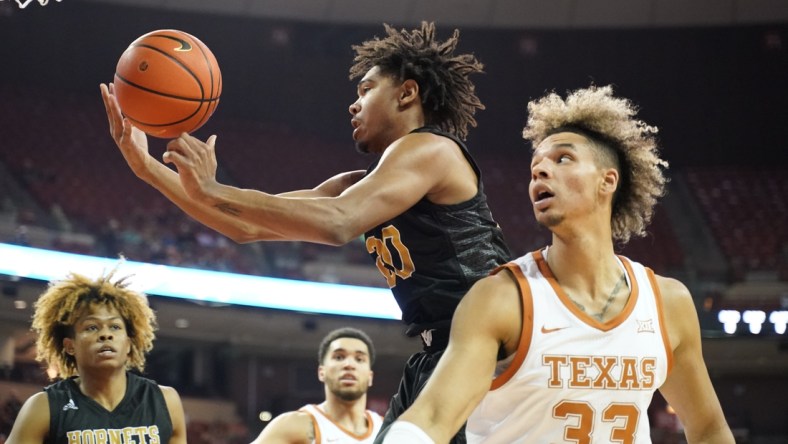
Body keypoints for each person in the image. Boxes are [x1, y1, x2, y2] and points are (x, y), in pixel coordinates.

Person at [101, 21, 511, 443]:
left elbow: (338, 223)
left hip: (488, 350)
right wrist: (146, 168)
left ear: (407, 93)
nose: (354, 105)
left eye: (366, 90)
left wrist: (212, 187)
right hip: (439, 352)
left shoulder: (431, 148)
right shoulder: (357, 183)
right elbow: (246, 226)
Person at [379, 85, 735, 443]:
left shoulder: (668, 303)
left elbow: (708, 428)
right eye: (535, 166)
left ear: (607, 180)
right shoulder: (501, 298)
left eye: (562, 158)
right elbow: (435, 415)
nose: (540, 171)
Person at [6, 270, 187, 444]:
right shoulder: (44, 407)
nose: (106, 335)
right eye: (92, 327)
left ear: (128, 344)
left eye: (115, 327)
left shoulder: (165, 401)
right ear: (70, 346)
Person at [251, 327, 382, 443]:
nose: (349, 364)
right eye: (339, 357)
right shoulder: (295, 425)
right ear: (321, 372)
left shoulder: (387, 430)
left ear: (370, 377)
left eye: (359, 359)